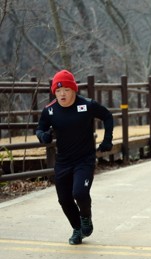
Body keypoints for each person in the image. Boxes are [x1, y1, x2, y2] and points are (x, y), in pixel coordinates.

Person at [36, 69, 114, 245]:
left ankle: (86, 217)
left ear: (73, 90)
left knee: (79, 192)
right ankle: (77, 229)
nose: (62, 94)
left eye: (66, 90)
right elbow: (40, 129)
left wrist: (107, 140)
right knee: (64, 199)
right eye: (58, 91)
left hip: (84, 160)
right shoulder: (50, 111)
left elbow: (107, 116)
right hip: (63, 161)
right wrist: (43, 136)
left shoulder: (87, 105)